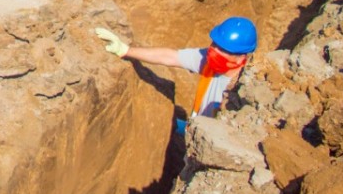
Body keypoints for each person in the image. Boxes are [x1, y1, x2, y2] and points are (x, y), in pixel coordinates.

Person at [94, 17, 258, 123]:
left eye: (224, 49)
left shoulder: (242, 91)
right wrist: (125, 50)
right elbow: (169, 57)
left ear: (241, 56)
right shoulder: (209, 61)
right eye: (215, 45)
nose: (215, 51)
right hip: (196, 131)